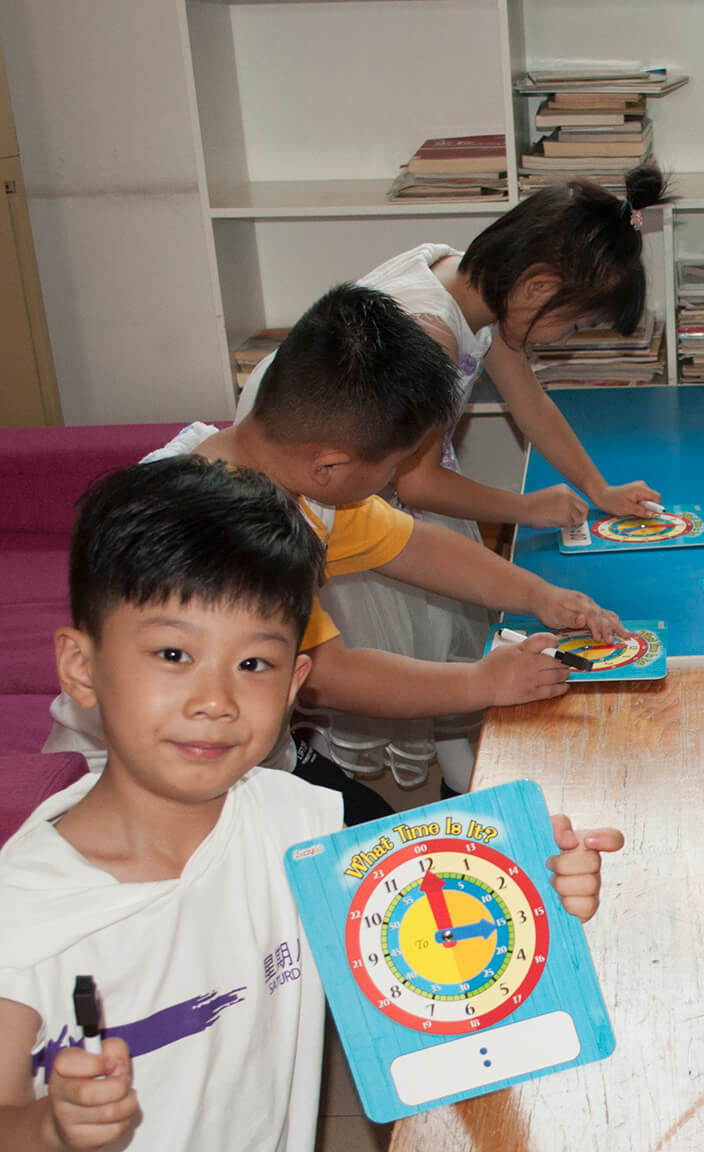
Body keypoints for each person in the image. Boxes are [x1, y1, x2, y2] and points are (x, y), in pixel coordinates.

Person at [0, 459, 622, 1152]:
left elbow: (439, 939)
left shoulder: (298, 824)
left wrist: (537, 886)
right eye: (169, 652)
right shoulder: (24, 909)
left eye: (255, 664)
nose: (212, 699)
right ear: (80, 666)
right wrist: (55, 1128)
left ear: (296, 684)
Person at [45, 283, 622, 804]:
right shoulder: (219, 531)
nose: (398, 482)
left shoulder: (292, 477)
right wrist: (482, 681)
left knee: (367, 818)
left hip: (245, 746)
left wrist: (540, 597)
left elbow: (415, 547)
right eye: (396, 466)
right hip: (154, 776)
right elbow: (327, 672)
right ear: (333, 466)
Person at [236, 167, 670, 791]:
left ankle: (456, 746)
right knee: (397, 643)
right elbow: (413, 490)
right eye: (571, 325)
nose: (566, 339)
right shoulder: (427, 338)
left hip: (320, 469)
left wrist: (585, 515)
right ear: (537, 287)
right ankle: (396, 757)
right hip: (307, 483)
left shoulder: (472, 279)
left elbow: (524, 409)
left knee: (442, 610)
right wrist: (521, 509)